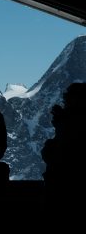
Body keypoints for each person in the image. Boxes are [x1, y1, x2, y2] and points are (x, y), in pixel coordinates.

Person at [41, 82, 86, 210]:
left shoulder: (71, 125)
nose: (64, 104)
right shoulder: (71, 122)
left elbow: (59, 155)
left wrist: (62, 124)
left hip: (61, 187)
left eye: (67, 100)